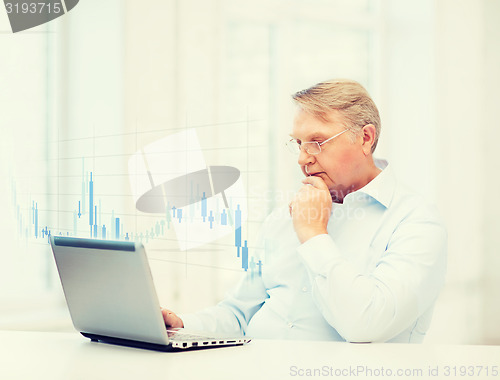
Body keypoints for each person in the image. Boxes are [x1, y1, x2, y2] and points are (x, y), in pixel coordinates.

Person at [162, 79, 447, 343]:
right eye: (298, 143)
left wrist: (313, 234)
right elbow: (239, 315)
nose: (302, 158)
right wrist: (180, 325)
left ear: (365, 138)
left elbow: (366, 325)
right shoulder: (284, 217)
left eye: (317, 142)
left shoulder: (416, 223)